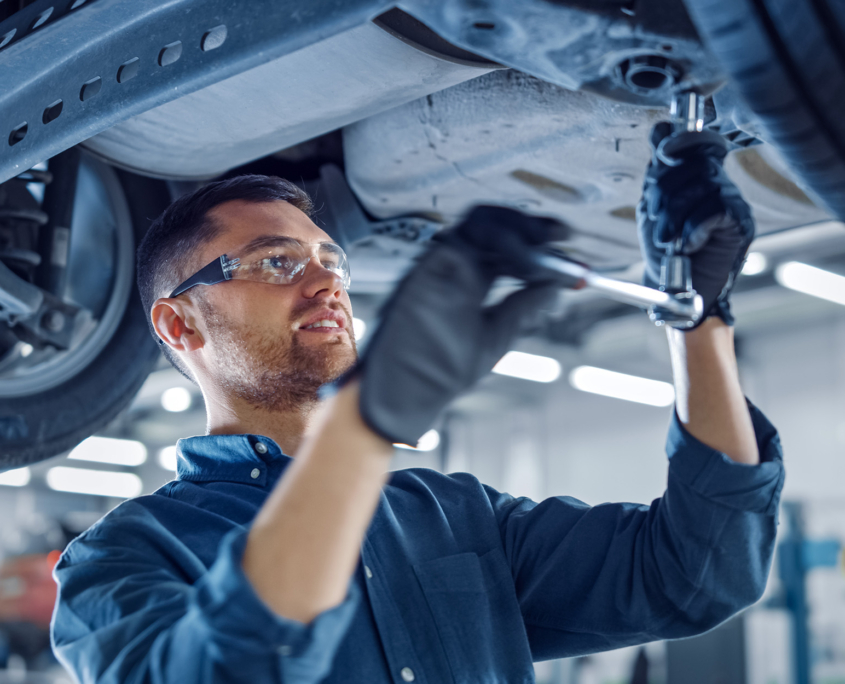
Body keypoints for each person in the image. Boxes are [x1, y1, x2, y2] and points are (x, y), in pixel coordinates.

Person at [50, 124, 785, 684]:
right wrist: (364, 426)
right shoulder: (118, 560)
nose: (326, 282)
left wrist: (699, 318)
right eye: (277, 262)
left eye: (330, 261)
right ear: (178, 324)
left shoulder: (456, 516)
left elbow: (695, 574)